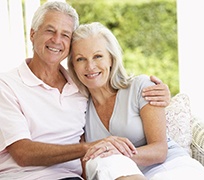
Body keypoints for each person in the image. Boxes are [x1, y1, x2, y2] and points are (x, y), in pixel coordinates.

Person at [0, 1, 170, 180]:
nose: (57, 40)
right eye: (50, 30)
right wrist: (89, 147)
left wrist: (162, 93)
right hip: (22, 177)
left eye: (65, 34)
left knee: (112, 162)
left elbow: (112, 88)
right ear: (33, 34)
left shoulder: (80, 87)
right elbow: (22, 153)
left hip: (73, 177)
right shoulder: (7, 85)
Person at [68, 22, 204, 180]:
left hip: (170, 167)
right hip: (119, 173)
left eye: (98, 56)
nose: (90, 66)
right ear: (73, 66)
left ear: (111, 59)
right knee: (106, 161)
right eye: (80, 59)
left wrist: (118, 152)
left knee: (109, 158)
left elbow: (160, 150)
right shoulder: (79, 108)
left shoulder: (142, 87)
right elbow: (84, 164)